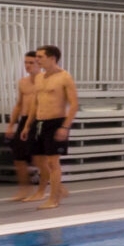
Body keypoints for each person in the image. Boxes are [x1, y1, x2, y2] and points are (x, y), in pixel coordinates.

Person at [21, 45, 79, 210]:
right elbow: (35, 103)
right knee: (38, 158)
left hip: (56, 122)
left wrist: (65, 127)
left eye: (40, 57)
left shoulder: (65, 77)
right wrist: (27, 125)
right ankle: (55, 189)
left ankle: (53, 198)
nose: (37, 60)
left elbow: (74, 105)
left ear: (52, 58)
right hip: (39, 122)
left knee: (53, 163)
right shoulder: (39, 78)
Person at [7, 50, 44, 202]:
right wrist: (11, 125)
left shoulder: (44, 80)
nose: (28, 66)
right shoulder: (23, 82)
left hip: (39, 120)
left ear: (39, 64)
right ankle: (24, 188)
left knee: (38, 159)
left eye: (31, 63)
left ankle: (51, 188)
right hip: (24, 120)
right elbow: (19, 104)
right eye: (26, 63)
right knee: (18, 157)